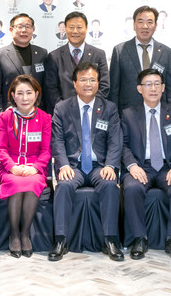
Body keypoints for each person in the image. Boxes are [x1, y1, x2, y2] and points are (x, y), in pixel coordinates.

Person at [49, 63, 123, 262]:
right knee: (63, 186)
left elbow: (115, 140)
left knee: (110, 185)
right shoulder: (62, 108)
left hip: (100, 167)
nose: (88, 84)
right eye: (83, 79)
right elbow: (57, 140)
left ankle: (110, 240)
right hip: (73, 167)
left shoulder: (109, 108)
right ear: (74, 83)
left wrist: (110, 165)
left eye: (92, 80)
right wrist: (63, 164)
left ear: (98, 83)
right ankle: (61, 240)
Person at [121, 69, 171, 261]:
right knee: (132, 188)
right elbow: (123, 145)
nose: (152, 88)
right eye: (148, 84)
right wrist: (132, 166)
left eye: (156, 84)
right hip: (140, 166)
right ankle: (139, 238)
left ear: (163, 87)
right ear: (139, 89)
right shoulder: (128, 115)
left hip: (167, 167)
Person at [0, 75, 52, 258]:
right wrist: (12, 167)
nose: (25, 98)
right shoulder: (6, 117)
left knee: (33, 182)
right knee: (15, 182)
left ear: (36, 94)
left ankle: (25, 233)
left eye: (29, 93)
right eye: (20, 93)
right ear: (13, 95)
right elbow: (0, 148)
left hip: (35, 167)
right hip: (11, 166)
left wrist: (35, 167)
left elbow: (46, 150)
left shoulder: (44, 118)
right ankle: (14, 233)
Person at [109, 6, 171, 112]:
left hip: (160, 113)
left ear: (155, 26)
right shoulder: (120, 51)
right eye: (140, 22)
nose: (145, 26)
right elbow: (114, 90)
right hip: (128, 114)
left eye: (150, 22)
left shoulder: (167, 52)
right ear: (134, 25)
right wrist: (114, 116)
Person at [45, 12, 109, 114]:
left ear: (86, 28)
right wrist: (63, 109)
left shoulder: (99, 54)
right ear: (65, 29)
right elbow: (51, 88)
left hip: (91, 112)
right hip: (63, 114)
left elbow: (104, 85)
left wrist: (90, 107)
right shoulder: (54, 56)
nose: (75, 31)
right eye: (71, 27)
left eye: (79, 27)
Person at [0, 13, 48, 119]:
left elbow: (47, 88)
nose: (24, 30)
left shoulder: (42, 54)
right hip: (10, 116)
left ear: (32, 30)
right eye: (20, 26)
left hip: (37, 115)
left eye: (28, 26)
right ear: (11, 29)